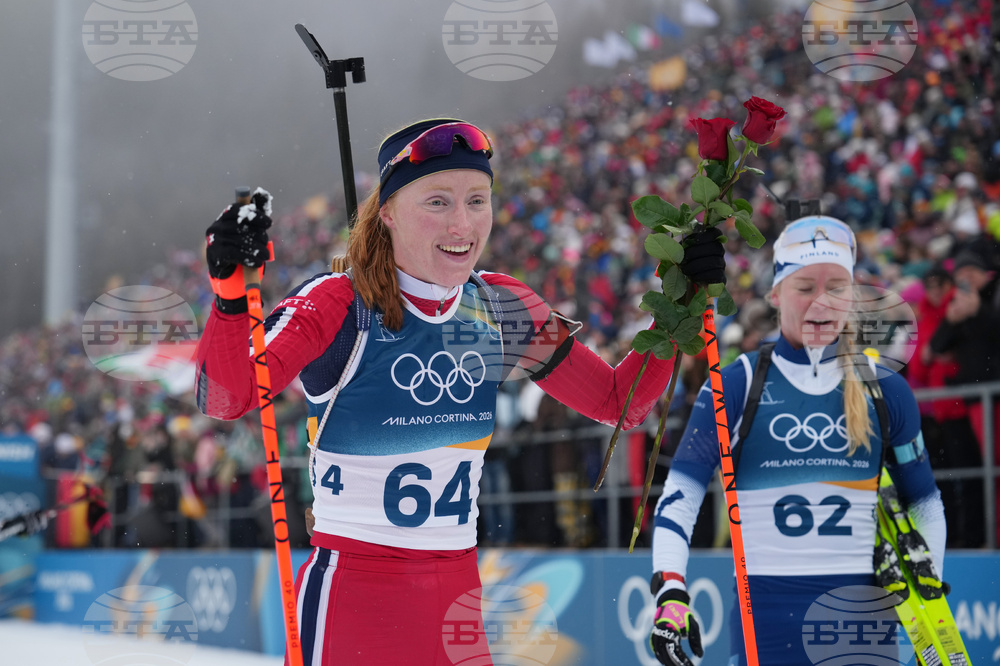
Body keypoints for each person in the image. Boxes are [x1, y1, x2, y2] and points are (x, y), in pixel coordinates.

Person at [194, 118, 724, 665]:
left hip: (456, 602)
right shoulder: (337, 302)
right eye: (438, 202)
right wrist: (231, 292)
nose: (463, 224)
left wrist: (680, 303)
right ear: (388, 211)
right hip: (354, 598)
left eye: (477, 200)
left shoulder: (502, 306)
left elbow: (620, 403)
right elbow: (227, 398)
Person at [648, 215, 946, 665]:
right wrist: (670, 588)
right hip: (764, 628)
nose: (821, 303)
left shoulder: (884, 388)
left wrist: (929, 581)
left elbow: (925, 501)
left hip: (863, 628)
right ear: (776, 294)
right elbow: (681, 493)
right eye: (805, 287)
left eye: (837, 287)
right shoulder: (736, 384)